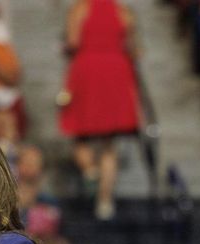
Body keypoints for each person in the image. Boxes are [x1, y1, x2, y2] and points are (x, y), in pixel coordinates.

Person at [59, 0, 141, 221]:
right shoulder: (123, 11)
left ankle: (90, 171)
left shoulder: (80, 9)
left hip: (88, 70)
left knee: (79, 135)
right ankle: (105, 200)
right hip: (116, 72)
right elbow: (133, 48)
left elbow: (72, 42)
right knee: (109, 144)